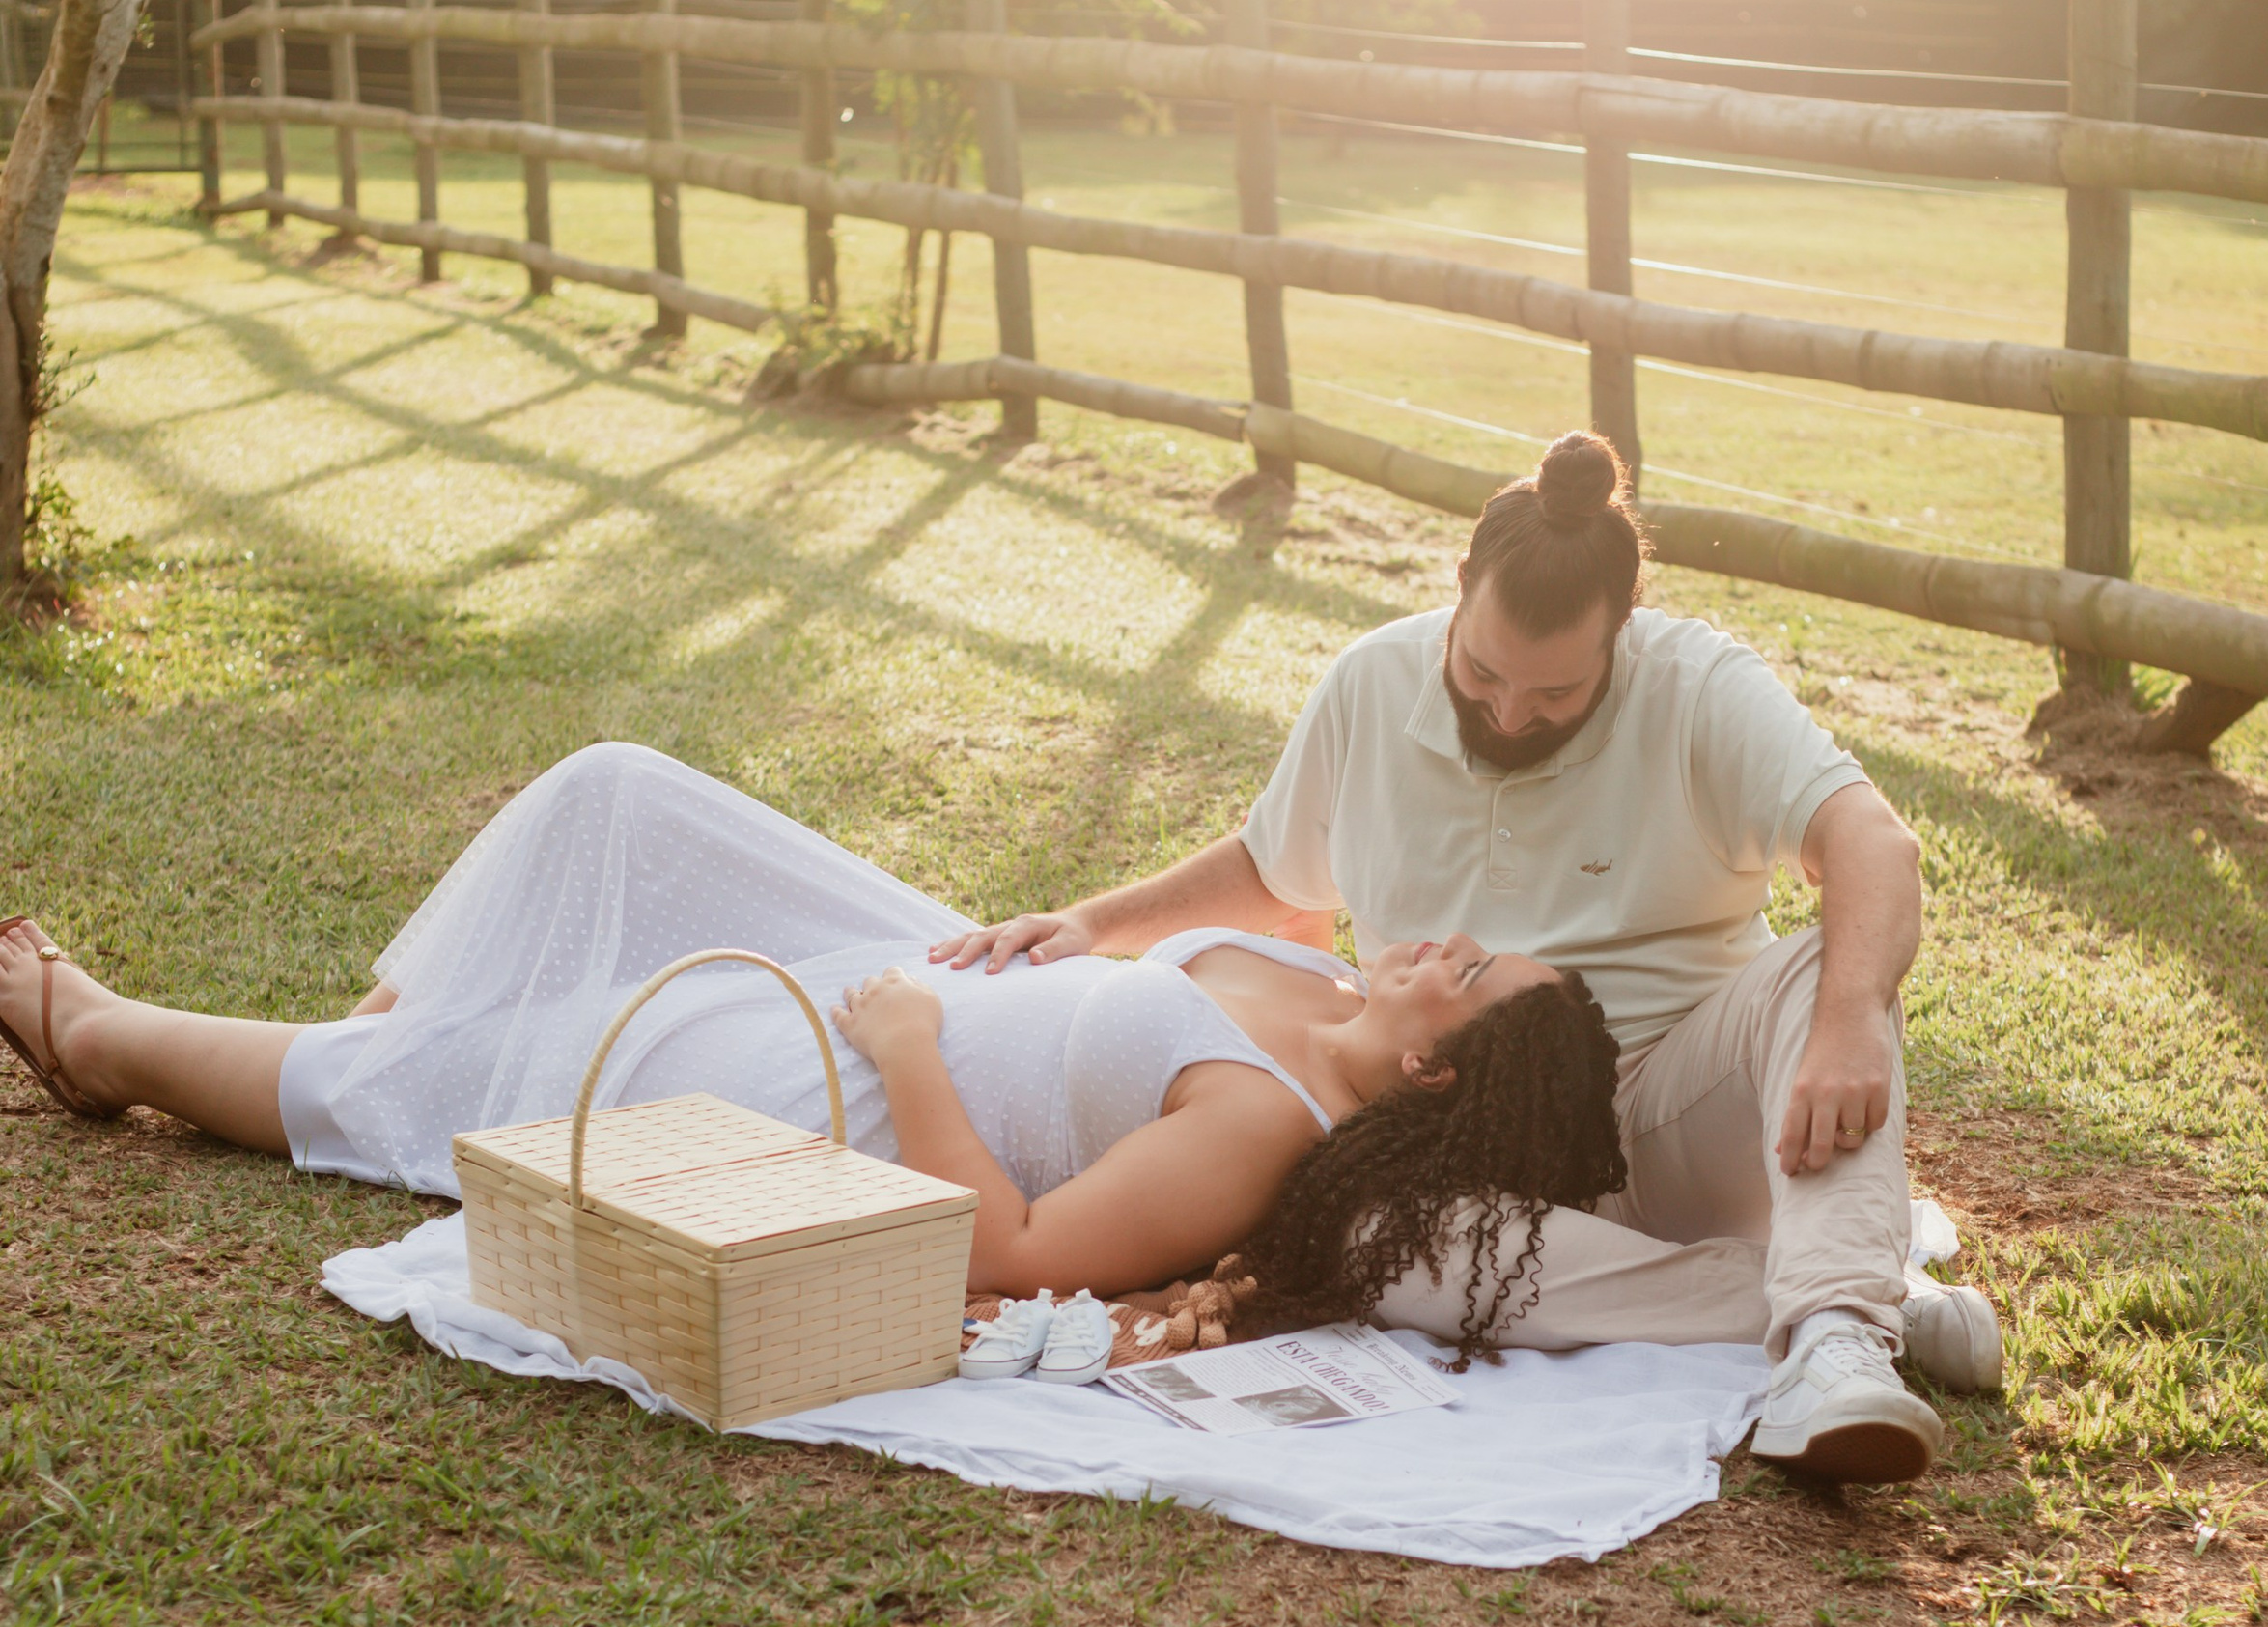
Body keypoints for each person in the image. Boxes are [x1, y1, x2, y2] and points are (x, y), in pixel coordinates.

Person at [938, 432, 1999, 1483]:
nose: (1506, 712)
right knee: (1360, 1243)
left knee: (1823, 974)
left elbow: (1872, 844)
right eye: (1484, 672)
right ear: (1457, 588)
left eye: (1552, 696)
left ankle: (1837, 1348)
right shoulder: (1369, 683)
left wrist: (1853, 1015)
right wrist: (1090, 922)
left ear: (1620, 634)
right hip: (1469, 1141)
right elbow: (1273, 862)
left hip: (1681, 1106)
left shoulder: (1699, 686)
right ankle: (1859, 1295)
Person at [0, 743, 1626, 1351]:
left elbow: (1016, 1255)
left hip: (842, 1075)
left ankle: (102, 1037)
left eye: (1462, 976)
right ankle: (406, 1024)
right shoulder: (1311, 976)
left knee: (417, 1093)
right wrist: (1058, 936)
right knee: (615, 796)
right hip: (888, 966)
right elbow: (1118, 978)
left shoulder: (1253, 1131)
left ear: (1432, 1072)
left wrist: (916, 1050)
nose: (1439, 943)